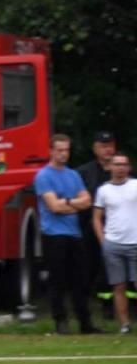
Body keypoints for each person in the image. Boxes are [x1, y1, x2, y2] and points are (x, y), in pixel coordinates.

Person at [34, 133, 98, 334]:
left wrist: (67, 203)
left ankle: (85, 323)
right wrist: (73, 204)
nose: (63, 154)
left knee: (80, 280)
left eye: (66, 150)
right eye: (59, 150)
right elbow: (53, 206)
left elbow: (87, 201)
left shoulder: (73, 175)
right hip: (53, 235)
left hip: (74, 234)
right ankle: (60, 322)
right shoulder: (43, 176)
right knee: (58, 281)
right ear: (51, 151)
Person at [93, 150, 136, 334]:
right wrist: (103, 241)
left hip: (135, 242)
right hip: (113, 244)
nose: (120, 168)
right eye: (116, 164)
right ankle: (124, 324)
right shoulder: (103, 190)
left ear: (129, 167)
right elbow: (96, 217)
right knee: (118, 285)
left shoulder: (135, 185)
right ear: (110, 167)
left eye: (123, 164)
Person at [78, 129, 117, 316]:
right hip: (89, 226)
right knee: (88, 266)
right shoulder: (85, 172)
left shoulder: (124, 170)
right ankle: (84, 305)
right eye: (103, 146)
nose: (107, 150)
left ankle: (108, 307)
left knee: (110, 267)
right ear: (95, 149)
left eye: (110, 146)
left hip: (117, 227)